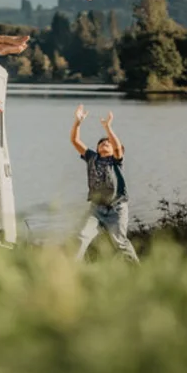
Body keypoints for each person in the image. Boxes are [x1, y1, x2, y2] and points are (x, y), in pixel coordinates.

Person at [69, 105, 139, 263]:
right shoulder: (92, 158)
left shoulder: (116, 160)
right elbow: (75, 140)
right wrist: (77, 122)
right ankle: (72, 271)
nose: (105, 144)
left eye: (108, 143)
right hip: (96, 209)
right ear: (97, 148)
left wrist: (108, 127)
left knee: (120, 243)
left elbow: (117, 146)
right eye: (102, 143)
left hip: (117, 209)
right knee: (81, 236)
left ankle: (137, 270)